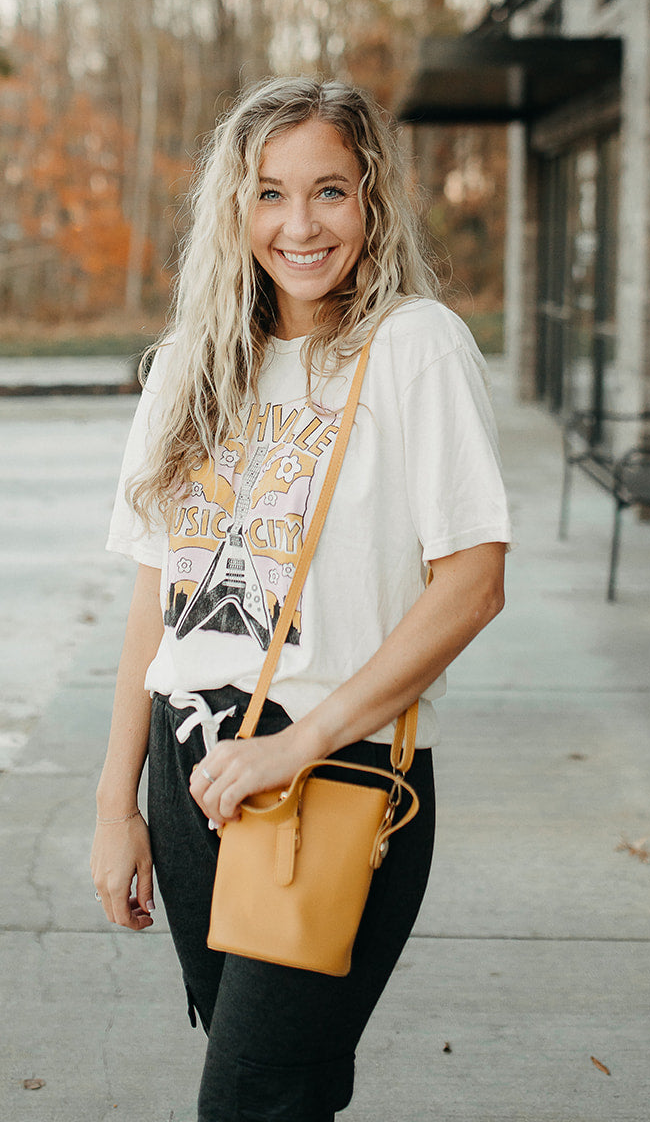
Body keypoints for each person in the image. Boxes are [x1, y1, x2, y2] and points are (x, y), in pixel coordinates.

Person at [93, 76, 512, 1121]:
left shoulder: (412, 347)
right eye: (269, 193)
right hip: (189, 774)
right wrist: (116, 802)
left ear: (371, 200)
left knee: (247, 1095)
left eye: (328, 190)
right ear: (234, 207)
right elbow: (158, 593)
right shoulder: (190, 366)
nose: (298, 224)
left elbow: (471, 582)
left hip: (328, 771)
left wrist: (293, 744)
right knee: (291, 1089)